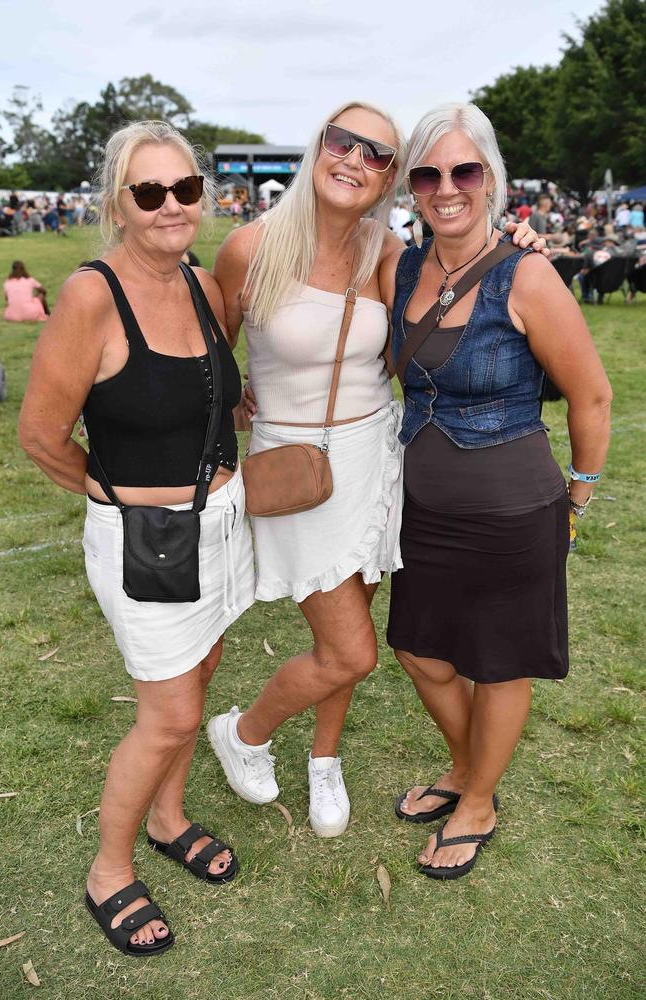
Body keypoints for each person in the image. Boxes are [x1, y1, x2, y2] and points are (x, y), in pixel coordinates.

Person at [207, 101, 547, 840]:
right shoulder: (249, 247)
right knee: (352, 651)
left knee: (351, 628)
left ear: (391, 181)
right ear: (318, 145)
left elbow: (453, 283)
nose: (356, 159)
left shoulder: (388, 253)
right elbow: (204, 350)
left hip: (374, 456)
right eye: (344, 141)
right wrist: (234, 399)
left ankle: (324, 758)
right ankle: (245, 731)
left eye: (380, 155)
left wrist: (517, 237)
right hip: (295, 466)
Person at [19, 121, 255, 956]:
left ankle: (168, 817)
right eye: (149, 193)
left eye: (185, 189)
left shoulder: (200, 284)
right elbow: (41, 435)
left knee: (203, 676)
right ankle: (109, 872)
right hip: (146, 538)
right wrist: (116, 498)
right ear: (118, 204)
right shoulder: (92, 293)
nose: (171, 207)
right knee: (168, 714)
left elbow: (219, 397)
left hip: (225, 524)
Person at [381, 102, 612, 880]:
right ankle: (464, 763)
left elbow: (593, 395)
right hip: (422, 507)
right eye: (428, 173)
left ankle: (478, 801)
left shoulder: (529, 271)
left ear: (491, 179)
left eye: (464, 171)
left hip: (514, 509)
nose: (447, 188)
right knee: (417, 650)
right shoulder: (405, 267)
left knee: (500, 662)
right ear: (411, 187)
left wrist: (579, 496)